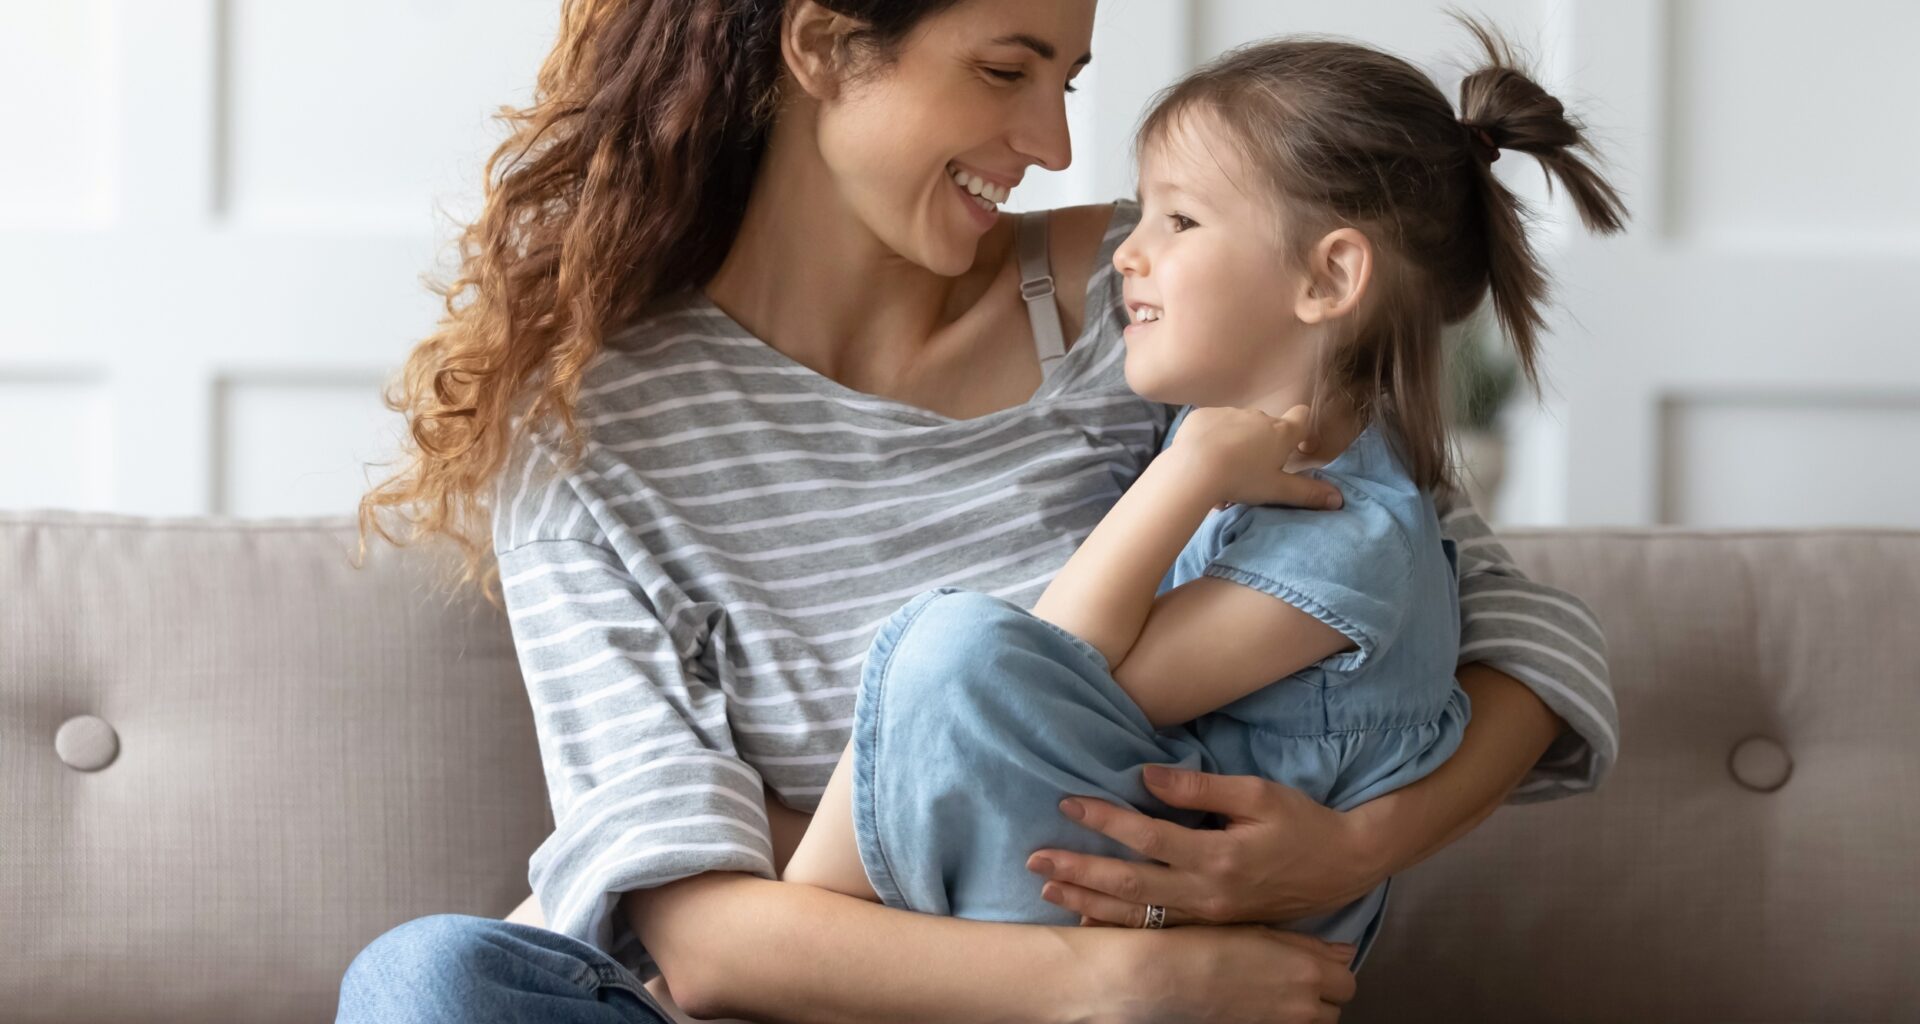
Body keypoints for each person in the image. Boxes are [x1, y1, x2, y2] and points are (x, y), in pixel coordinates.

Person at [337, 2, 1618, 1022]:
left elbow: (1498, 616)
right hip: (916, 997)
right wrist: (1123, 985)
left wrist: (1347, 852)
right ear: (825, 43)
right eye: (1009, 70)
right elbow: (704, 938)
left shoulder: (1156, 306)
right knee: (426, 985)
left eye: (1067, 77)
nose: (1057, 143)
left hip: (1101, 961)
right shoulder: (586, 438)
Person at [780, 24, 1626, 973]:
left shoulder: (1350, 539)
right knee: (942, 654)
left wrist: (1184, 479)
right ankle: (802, 948)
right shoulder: (1237, 437)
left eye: (1175, 222)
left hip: (1191, 933)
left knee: (952, 654)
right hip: (1108, 887)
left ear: (1329, 276)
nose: (1126, 256)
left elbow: (1053, 674)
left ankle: (802, 936)